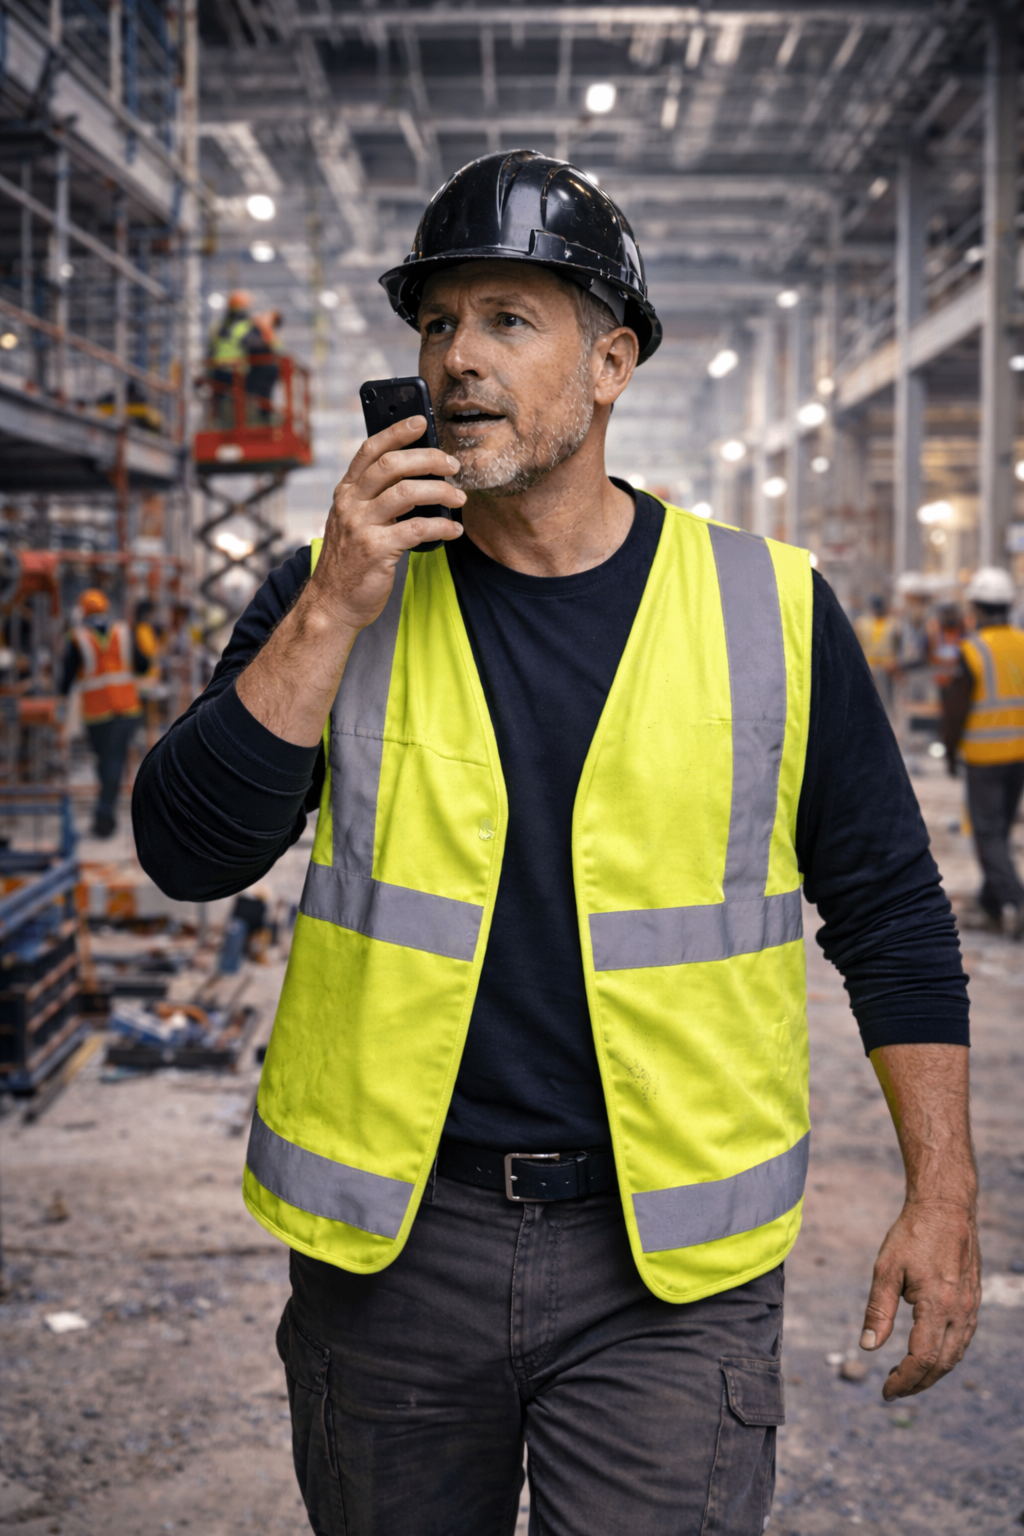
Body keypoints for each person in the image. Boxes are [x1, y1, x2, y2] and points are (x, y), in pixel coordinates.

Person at [134, 151, 976, 1536]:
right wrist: (334, 604)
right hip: (398, 1257)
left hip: (670, 1279)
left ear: (611, 365)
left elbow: (890, 914)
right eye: (438, 324)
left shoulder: (768, 611)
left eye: (510, 320)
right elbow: (186, 852)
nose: (459, 357)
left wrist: (941, 1194)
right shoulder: (338, 594)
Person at [942, 565, 1024, 938]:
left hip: (985, 757)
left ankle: (1016, 902)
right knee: (1000, 833)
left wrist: (949, 750)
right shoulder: (1022, 643)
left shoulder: (973, 650)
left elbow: (956, 708)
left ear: (975, 607)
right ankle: (990, 904)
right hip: (1019, 756)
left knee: (988, 837)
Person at [62, 588, 147, 837]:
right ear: (106, 608)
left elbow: (66, 679)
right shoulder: (123, 632)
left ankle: (103, 816)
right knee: (113, 763)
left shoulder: (77, 637)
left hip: (97, 713)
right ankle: (104, 813)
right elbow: (143, 665)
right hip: (125, 709)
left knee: (106, 762)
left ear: (83, 611)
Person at [206, 290, 264, 427]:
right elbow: (257, 346)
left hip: (217, 372)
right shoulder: (246, 327)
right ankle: (256, 418)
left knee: (220, 401)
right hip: (237, 373)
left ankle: (219, 420)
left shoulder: (218, 326)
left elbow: (210, 351)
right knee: (264, 375)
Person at [853, 592, 896, 709]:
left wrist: (895, 664)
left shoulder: (892, 623)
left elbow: (898, 646)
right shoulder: (861, 623)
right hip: (868, 667)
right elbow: (855, 646)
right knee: (867, 702)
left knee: (886, 703)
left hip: (887, 668)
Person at [248, 308, 284, 423]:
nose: (262, 317)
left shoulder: (269, 335)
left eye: (267, 317)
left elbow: (276, 350)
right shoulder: (254, 332)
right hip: (256, 372)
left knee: (263, 396)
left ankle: (265, 417)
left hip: (264, 372)